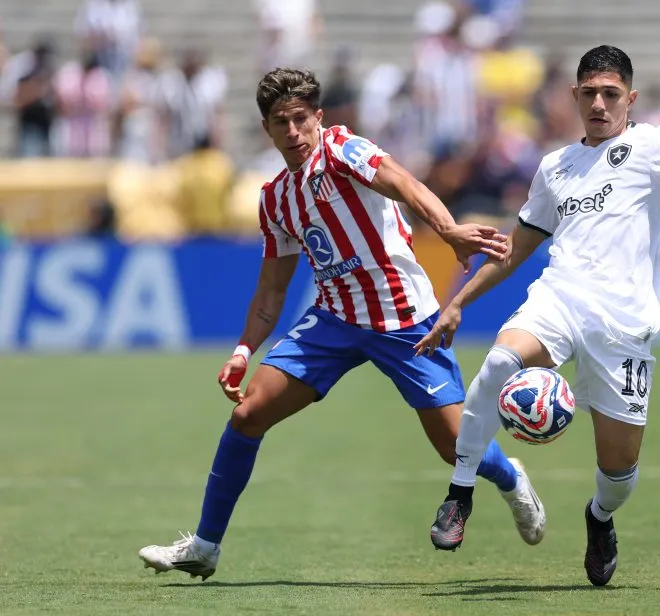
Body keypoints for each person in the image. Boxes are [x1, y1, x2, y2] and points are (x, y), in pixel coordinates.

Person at [416, 45, 660, 586]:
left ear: (630, 98)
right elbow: (516, 249)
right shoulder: (554, 167)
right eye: (589, 94)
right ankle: (459, 495)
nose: (599, 104)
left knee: (619, 476)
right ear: (573, 97)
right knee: (496, 365)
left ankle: (599, 517)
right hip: (558, 298)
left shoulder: (653, 146)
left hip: (624, 328)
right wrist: (458, 302)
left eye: (610, 94)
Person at [138, 68, 546, 581]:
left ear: (318, 118)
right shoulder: (275, 199)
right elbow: (271, 290)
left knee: (453, 446)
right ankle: (205, 544)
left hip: (404, 319)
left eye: (300, 119)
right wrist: (244, 350)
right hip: (334, 320)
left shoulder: (343, 149)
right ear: (267, 129)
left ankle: (509, 475)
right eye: (280, 122)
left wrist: (447, 230)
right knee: (248, 415)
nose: (293, 131)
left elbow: (403, 182)